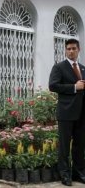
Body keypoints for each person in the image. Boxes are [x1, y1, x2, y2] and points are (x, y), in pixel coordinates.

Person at [49, 38, 85, 186]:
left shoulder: (83, 68)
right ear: (65, 50)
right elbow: (53, 86)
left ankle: (78, 173)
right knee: (64, 146)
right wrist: (74, 87)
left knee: (80, 145)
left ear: (79, 50)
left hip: (82, 114)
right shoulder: (59, 67)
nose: (71, 51)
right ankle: (64, 174)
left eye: (74, 48)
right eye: (68, 49)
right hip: (66, 113)